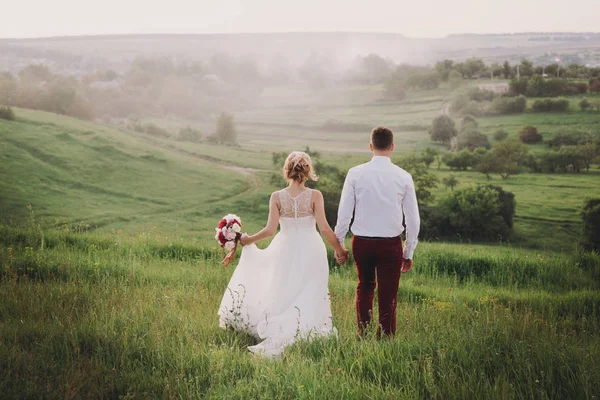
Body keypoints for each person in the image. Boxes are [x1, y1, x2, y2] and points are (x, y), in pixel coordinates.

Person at [218, 151, 344, 357]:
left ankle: (280, 327)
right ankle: (307, 327)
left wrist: (247, 240)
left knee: (283, 287)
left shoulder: (277, 196)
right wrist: (339, 249)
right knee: (311, 288)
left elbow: (269, 230)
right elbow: (325, 229)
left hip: (284, 247)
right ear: (307, 171)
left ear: (287, 171)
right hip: (311, 248)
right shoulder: (315, 196)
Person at [334, 126, 420, 337]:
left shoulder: (355, 173)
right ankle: (386, 336)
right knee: (388, 292)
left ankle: (363, 333)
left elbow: (344, 212)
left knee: (364, 287)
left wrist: (339, 245)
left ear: (371, 146)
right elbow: (413, 219)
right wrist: (408, 252)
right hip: (391, 244)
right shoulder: (404, 176)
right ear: (392, 147)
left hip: (361, 241)